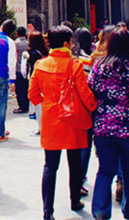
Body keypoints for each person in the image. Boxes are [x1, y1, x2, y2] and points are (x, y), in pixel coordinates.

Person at [28, 25, 97, 220]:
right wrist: (94, 107)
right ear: (67, 43)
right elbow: (84, 93)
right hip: (72, 119)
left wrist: (48, 102)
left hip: (51, 121)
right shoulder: (74, 65)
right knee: (74, 163)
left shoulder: (40, 65)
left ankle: (47, 211)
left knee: (50, 166)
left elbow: (32, 95)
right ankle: (75, 200)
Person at [89, 29, 129, 220]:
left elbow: (90, 93)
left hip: (104, 127)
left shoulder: (99, 67)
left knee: (105, 171)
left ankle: (100, 211)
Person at [71, 27, 95, 196]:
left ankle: (75, 179)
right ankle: (80, 178)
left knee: (73, 144)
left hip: (68, 106)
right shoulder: (89, 60)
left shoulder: (69, 59)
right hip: (86, 106)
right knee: (85, 143)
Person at [24, 30, 49, 132]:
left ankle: (41, 127)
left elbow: (30, 68)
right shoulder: (45, 51)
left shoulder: (33, 54)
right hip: (46, 78)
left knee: (38, 104)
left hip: (36, 79)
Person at [13, 26, 30, 114]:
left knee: (19, 89)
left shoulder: (15, 43)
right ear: (25, 34)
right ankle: (26, 105)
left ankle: (22, 106)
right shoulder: (28, 43)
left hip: (18, 69)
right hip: (26, 69)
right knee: (25, 88)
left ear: (17, 34)